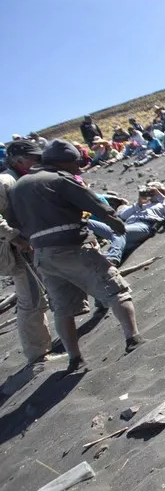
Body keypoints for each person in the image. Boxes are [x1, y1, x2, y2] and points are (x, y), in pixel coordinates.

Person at [8, 140, 144, 374]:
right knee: (115, 289)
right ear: (63, 162)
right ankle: (134, 339)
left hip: (43, 255)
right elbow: (92, 202)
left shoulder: (19, 186)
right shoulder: (59, 179)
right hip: (72, 244)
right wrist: (115, 223)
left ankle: (75, 358)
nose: (78, 169)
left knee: (62, 308)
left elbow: (13, 222)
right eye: (76, 164)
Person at [0, 140, 61, 369]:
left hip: (26, 246)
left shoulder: (19, 179)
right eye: (33, 158)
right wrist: (14, 236)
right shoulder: (5, 181)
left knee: (38, 294)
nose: (38, 161)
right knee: (31, 299)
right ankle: (38, 354)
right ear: (18, 161)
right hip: (16, 251)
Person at [88, 182, 165, 266]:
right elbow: (123, 216)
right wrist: (139, 203)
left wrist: (161, 198)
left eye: (157, 191)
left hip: (143, 225)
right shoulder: (141, 204)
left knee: (119, 232)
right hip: (126, 227)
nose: (153, 194)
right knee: (87, 222)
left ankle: (113, 258)